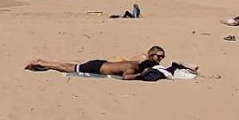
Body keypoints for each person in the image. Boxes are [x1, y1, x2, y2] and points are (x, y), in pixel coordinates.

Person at [25, 46, 166, 79]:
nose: (160, 60)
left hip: (103, 64)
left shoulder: (138, 63)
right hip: (98, 67)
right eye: (159, 57)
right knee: (67, 68)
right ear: (151, 54)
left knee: (69, 65)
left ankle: (44, 62)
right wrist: (142, 75)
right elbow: (127, 76)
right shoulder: (139, 62)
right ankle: (43, 64)